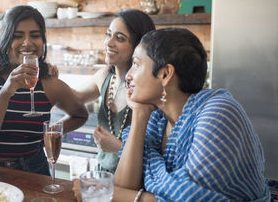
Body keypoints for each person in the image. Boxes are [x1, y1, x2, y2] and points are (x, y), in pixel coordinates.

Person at [112, 28, 270, 201]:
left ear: (165, 74)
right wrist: (139, 117)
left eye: (136, 64)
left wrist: (133, 197)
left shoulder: (218, 113)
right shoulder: (157, 121)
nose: (128, 76)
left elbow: (191, 198)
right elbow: (123, 187)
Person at [0, 5, 88, 176]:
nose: (27, 42)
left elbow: (81, 114)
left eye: (35, 35)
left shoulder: (50, 84)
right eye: (17, 36)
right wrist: (6, 92)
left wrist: (51, 132)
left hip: (33, 169)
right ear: (6, 40)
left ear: (43, 41)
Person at [73, 9, 155, 173]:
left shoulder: (149, 88)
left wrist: (118, 147)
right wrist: (47, 75)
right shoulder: (104, 76)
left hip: (135, 181)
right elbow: (72, 99)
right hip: (103, 175)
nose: (108, 43)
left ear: (139, 46)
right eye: (108, 34)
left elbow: (157, 155)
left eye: (119, 38)